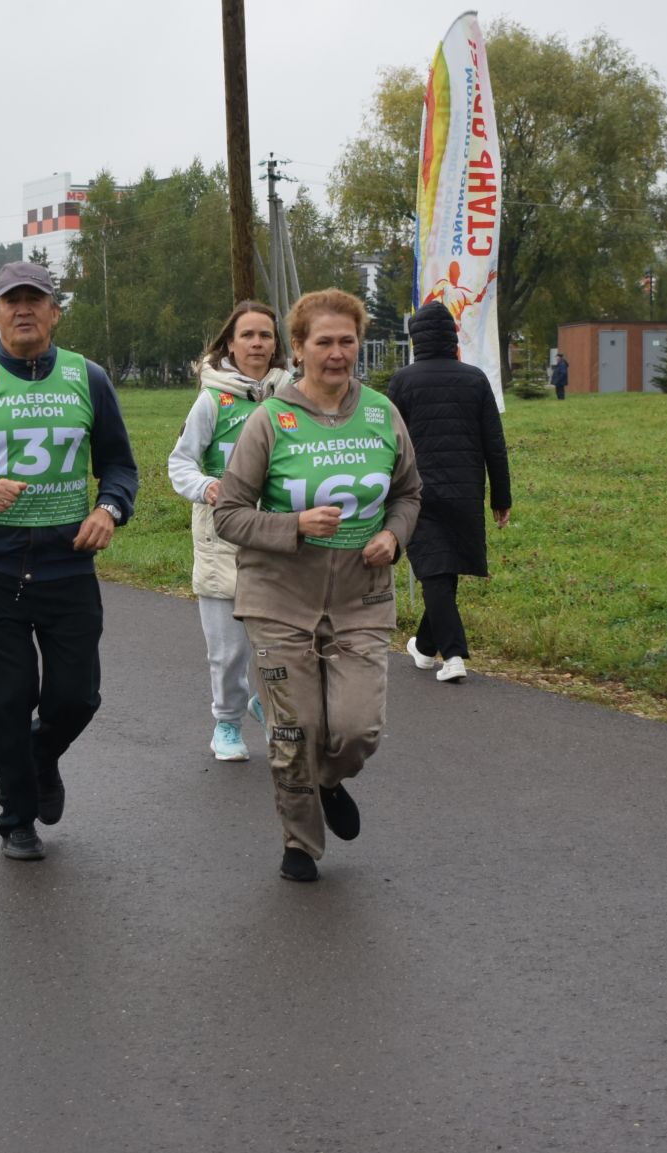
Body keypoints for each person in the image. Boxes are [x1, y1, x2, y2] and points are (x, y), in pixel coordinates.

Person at [0, 259, 138, 862]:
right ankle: (17, 818)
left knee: (78, 696)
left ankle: (40, 757)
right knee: (8, 701)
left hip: (68, 566)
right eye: (12, 301)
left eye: (35, 299)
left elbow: (118, 464)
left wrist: (109, 510)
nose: (24, 310)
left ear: (55, 312)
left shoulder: (87, 379)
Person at [213, 288, 422, 883]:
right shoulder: (271, 420)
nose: (336, 353)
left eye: (347, 341)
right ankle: (300, 843)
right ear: (298, 348)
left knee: (357, 729)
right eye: (322, 342)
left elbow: (409, 492)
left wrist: (395, 537)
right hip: (280, 597)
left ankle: (329, 780)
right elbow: (229, 513)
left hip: (362, 594)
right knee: (294, 728)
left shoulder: (382, 413)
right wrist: (292, 526)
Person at [167, 300, 291, 761]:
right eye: (248, 335)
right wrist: (207, 486)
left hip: (281, 532)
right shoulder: (212, 399)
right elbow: (179, 462)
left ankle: (266, 703)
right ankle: (227, 724)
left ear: (276, 344)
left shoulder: (291, 393)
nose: (258, 343)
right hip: (223, 535)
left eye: (266, 335)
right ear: (231, 344)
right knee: (229, 649)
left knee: (280, 642)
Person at [386, 300, 512, 684]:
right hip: (465, 492)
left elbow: (388, 442)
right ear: (452, 337)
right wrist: (500, 498)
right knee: (443, 571)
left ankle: (454, 655)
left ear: (416, 340)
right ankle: (425, 649)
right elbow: (495, 443)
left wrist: (380, 494)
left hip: (416, 494)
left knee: (437, 573)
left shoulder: (403, 381)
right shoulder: (475, 380)